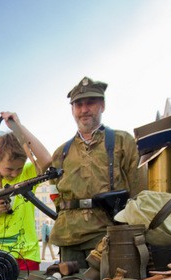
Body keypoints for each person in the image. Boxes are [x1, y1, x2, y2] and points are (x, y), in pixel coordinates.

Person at [49, 77, 143, 269]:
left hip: (107, 232)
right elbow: (55, 193)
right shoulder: (61, 152)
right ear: (72, 110)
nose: (84, 110)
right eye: (78, 105)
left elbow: (138, 188)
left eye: (90, 103)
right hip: (69, 235)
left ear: (102, 105)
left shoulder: (122, 141)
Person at [0, 112, 52, 271]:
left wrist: (18, 127)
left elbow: (47, 159)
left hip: (27, 257)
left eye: (19, 168)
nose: (14, 174)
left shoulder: (28, 174)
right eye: (9, 169)